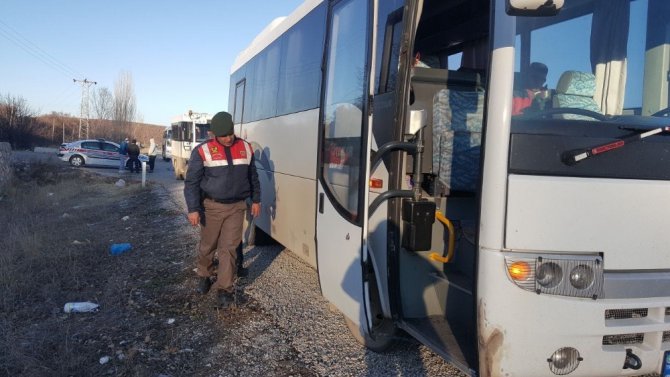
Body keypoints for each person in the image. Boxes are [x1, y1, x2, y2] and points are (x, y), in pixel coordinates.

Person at [184, 111, 261, 308]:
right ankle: (205, 275)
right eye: (223, 135)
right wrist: (193, 208)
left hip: (237, 207)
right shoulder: (202, 151)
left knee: (229, 249)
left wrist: (256, 200)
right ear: (213, 134)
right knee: (208, 245)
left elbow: (253, 177)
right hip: (211, 208)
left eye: (230, 133)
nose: (228, 138)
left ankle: (224, 289)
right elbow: (191, 182)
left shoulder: (245, 147)